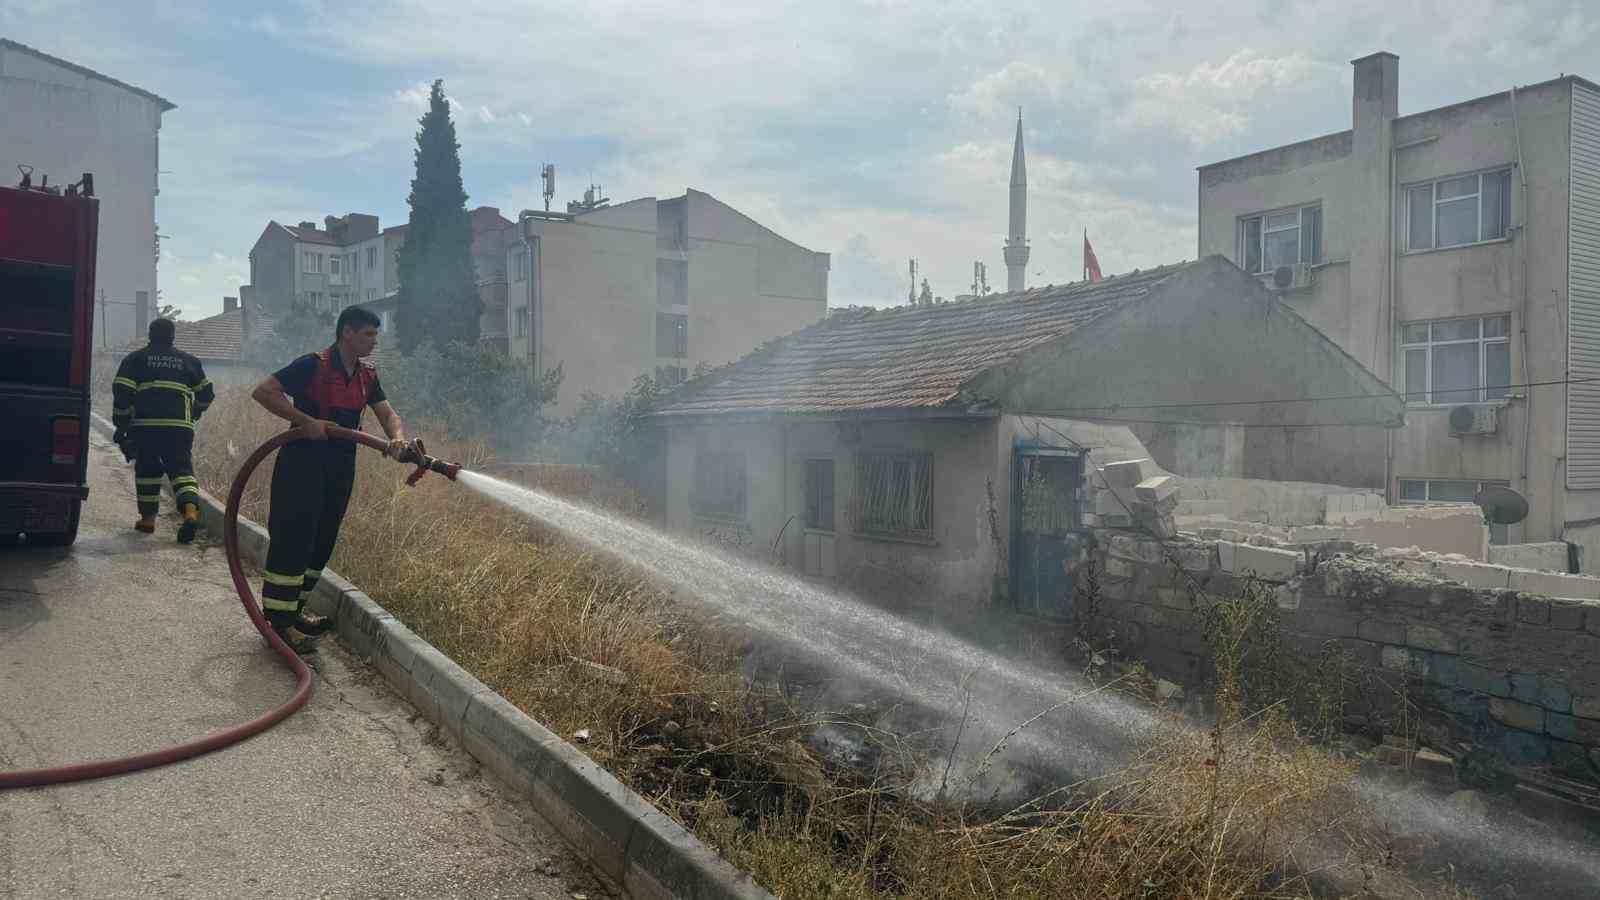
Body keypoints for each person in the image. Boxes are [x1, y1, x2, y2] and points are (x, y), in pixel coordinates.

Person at [250, 306, 409, 654]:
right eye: (368, 334)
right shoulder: (313, 365)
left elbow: (387, 413)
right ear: (347, 333)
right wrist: (304, 419)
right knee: (294, 538)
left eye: (375, 335)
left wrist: (397, 438)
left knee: (322, 541)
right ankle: (278, 623)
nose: (373, 341)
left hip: (340, 465)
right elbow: (264, 392)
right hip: (302, 462)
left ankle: (293, 613)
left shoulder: (367, 377)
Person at [111, 317, 213, 543]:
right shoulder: (188, 361)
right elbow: (207, 394)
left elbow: (122, 391)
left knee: (147, 469)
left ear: (150, 334)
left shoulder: (136, 359)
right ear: (172, 336)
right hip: (180, 428)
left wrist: (122, 423)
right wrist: (194, 412)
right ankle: (190, 513)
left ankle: (148, 520)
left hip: (145, 427)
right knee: (182, 470)